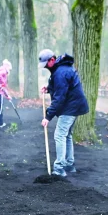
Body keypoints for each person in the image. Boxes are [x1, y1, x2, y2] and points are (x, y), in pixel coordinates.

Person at [38, 49, 89, 177]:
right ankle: (69, 164)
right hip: (74, 105)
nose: (45, 67)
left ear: (52, 60)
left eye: (46, 64)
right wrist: (49, 88)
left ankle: (59, 168)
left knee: (59, 135)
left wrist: (48, 116)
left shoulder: (60, 72)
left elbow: (60, 97)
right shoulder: (61, 69)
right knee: (67, 135)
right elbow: (63, 87)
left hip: (70, 107)